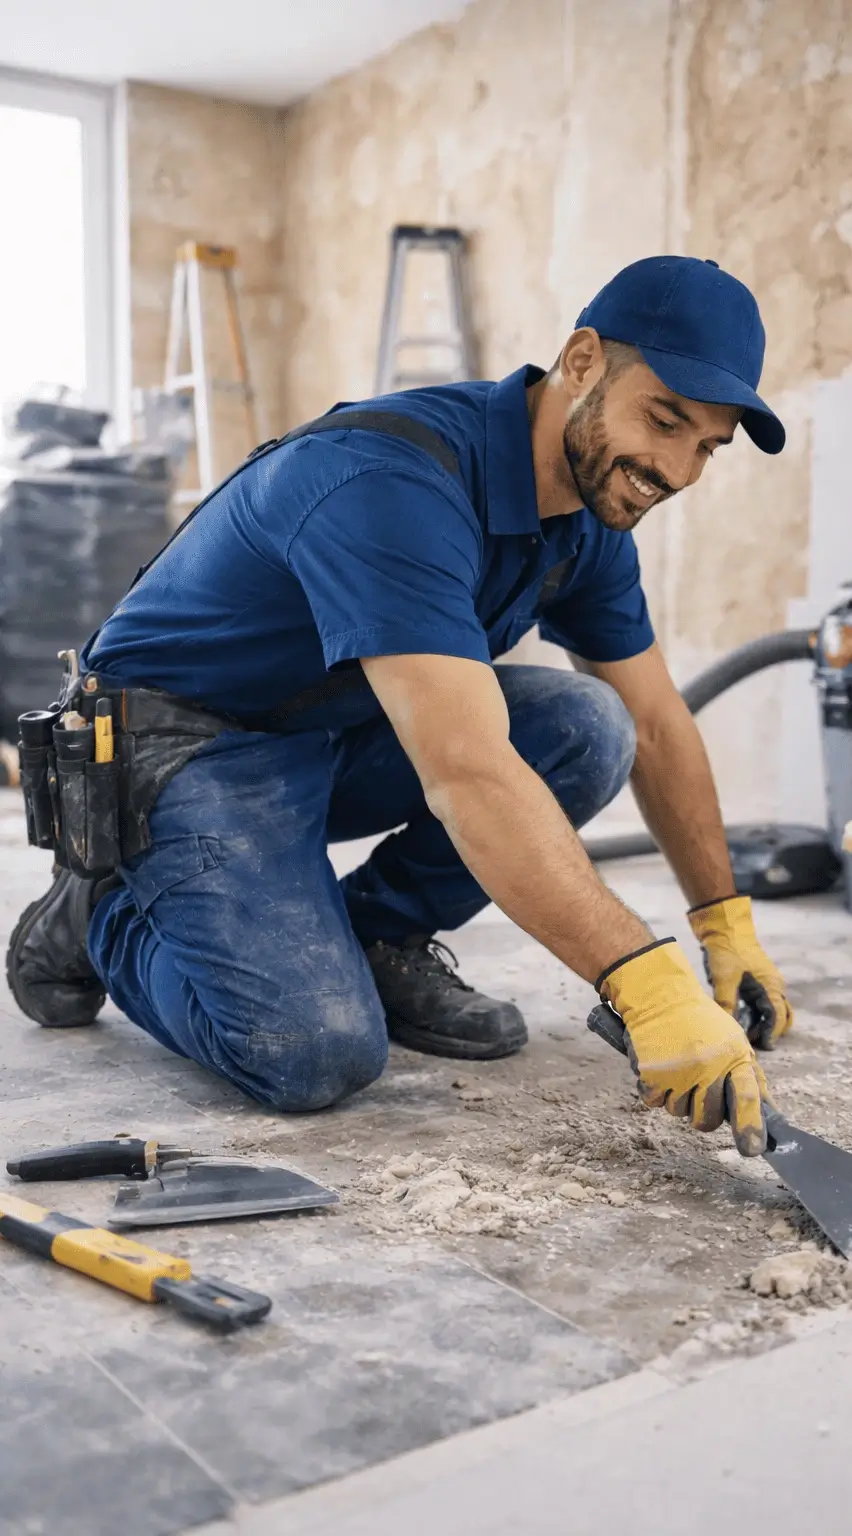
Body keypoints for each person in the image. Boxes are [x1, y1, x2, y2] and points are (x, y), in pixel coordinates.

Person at [8, 255, 793, 1156]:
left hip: (327, 726)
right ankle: (104, 912)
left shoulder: (590, 511)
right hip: (178, 745)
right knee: (310, 1052)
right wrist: (644, 983)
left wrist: (722, 923)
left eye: (708, 446)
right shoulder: (391, 480)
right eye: (665, 420)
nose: (678, 469)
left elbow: (655, 724)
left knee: (592, 728)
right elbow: (467, 772)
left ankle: (379, 939)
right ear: (581, 362)